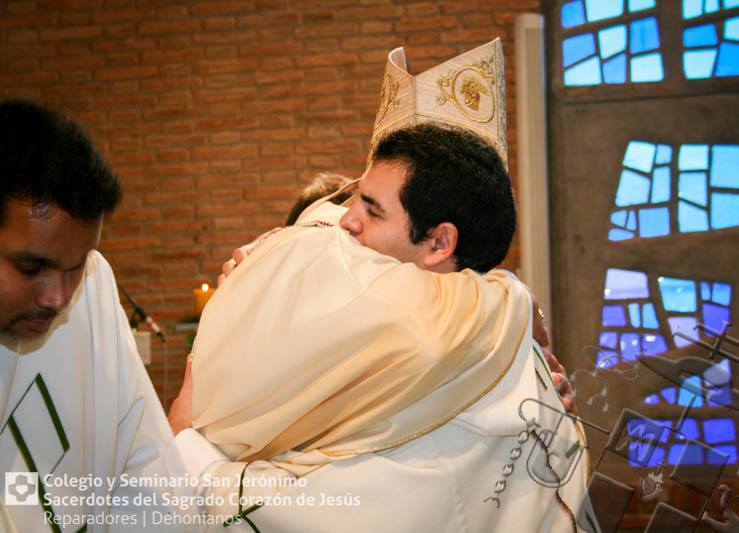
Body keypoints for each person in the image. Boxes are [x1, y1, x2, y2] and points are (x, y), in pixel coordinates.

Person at [168, 124, 590, 532]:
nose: (346, 222)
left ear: (439, 243)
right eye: (354, 200)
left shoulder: (428, 361)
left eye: (372, 210)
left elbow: (307, 513)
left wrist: (186, 445)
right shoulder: (494, 319)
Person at [0, 100, 190, 531]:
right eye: (32, 267)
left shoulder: (94, 284)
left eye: (76, 264)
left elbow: (142, 467)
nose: (58, 298)